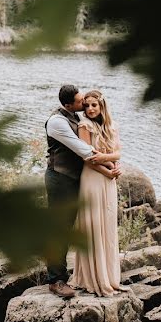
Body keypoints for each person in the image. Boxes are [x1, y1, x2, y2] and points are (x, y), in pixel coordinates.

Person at [44, 85, 115, 298]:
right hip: (60, 179)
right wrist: (111, 163)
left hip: (77, 180)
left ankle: (87, 274)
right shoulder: (57, 122)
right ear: (68, 105)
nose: (84, 102)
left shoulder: (75, 116)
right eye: (80, 100)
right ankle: (56, 280)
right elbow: (82, 149)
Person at [68, 89, 128, 296]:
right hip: (93, 179)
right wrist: (109, 170)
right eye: (87, 106)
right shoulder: (84, 126)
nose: (90, 109)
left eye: (94, 105)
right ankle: (94, 278)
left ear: (102, 106)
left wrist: (114, 166)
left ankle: (110, 277)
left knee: (108, 225)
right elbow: (87, 158)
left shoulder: (112, 126)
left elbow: (118, 153)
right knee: (93, 225)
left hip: (108, 180)